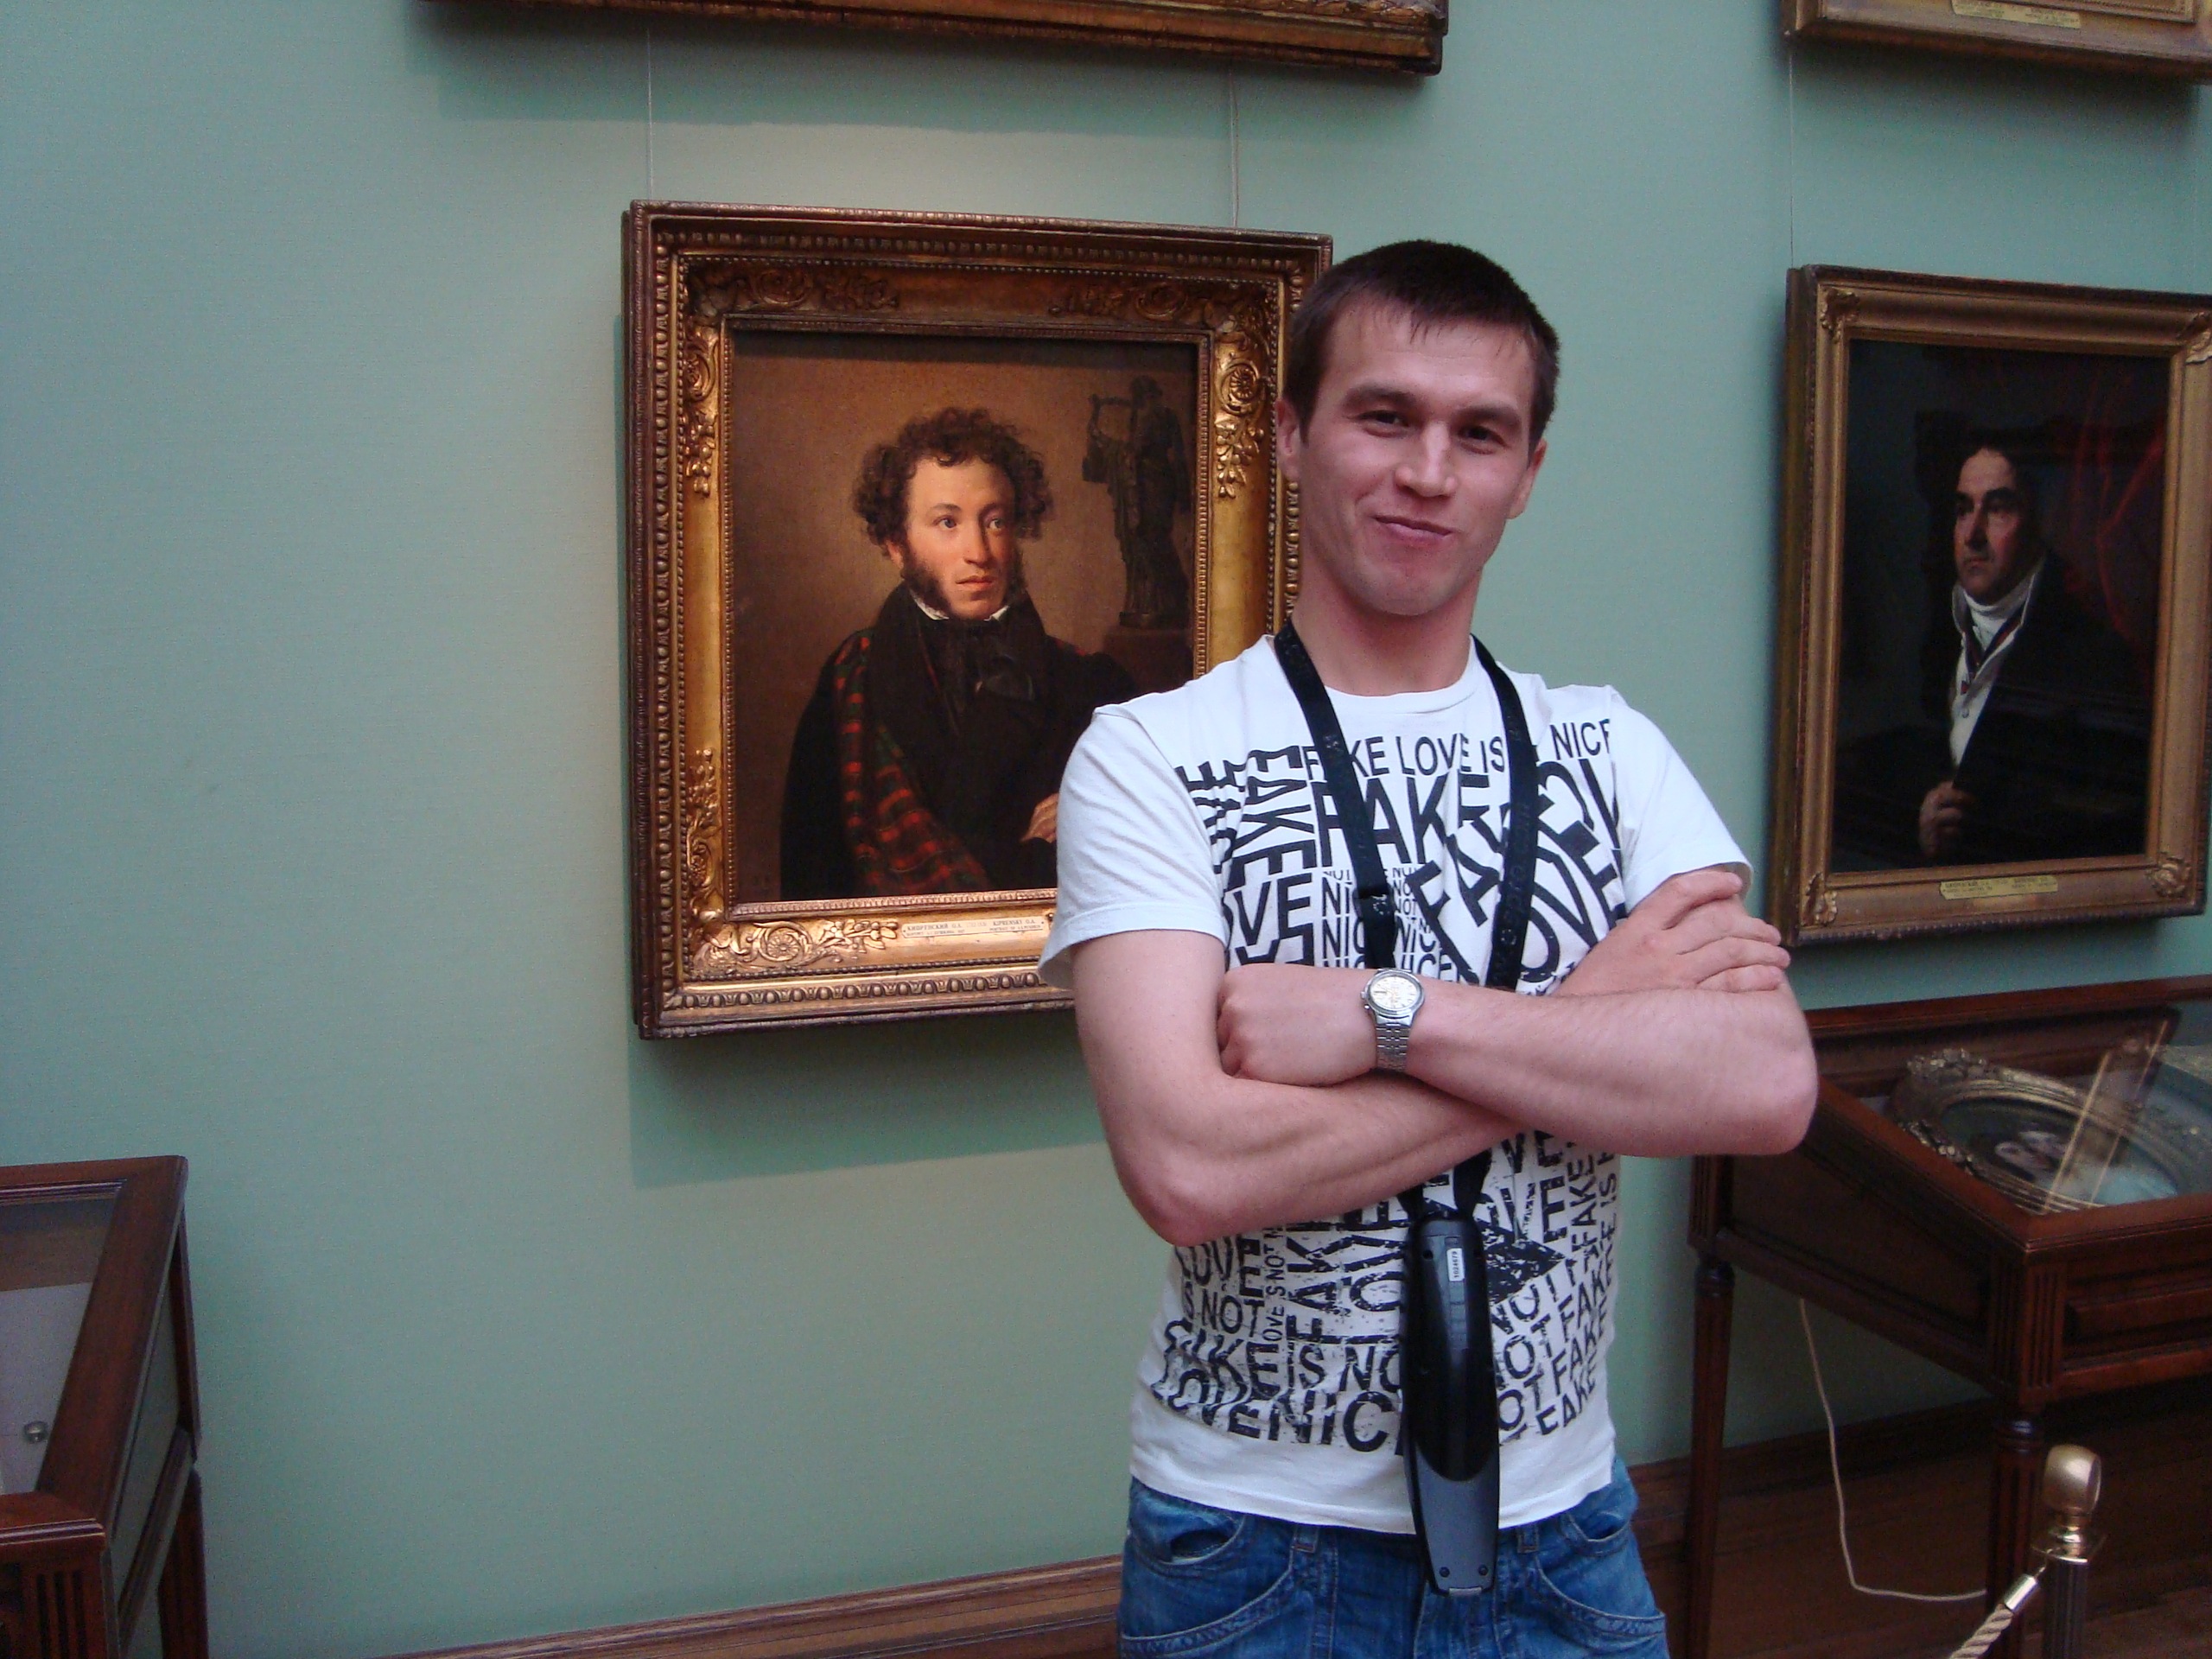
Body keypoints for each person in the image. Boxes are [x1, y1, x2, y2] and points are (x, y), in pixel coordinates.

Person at [1037, 242, 1818, 1659]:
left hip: (1567, 1534)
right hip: (1258, 1552)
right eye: (1384, 417)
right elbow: (1189, 1169)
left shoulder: (1611, 750)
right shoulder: (1149, 757)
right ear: (1292, 436)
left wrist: (1386, 1016)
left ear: (1528, 472)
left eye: (1480, 433)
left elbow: (1762, 1086)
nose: (1427, 472)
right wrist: (1587, 1017)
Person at [780, 407, 1137, 899]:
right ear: (897, 544)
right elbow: (811, 889)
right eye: (947, 522)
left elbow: (1137, 861)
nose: (979, 552)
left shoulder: (1091, 684)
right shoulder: (850, 681)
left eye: (995, 522)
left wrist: (1093, 810)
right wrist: (1024, 860)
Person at [1910, 438, 2148, 864]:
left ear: (2038, 522)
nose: (1973, 534)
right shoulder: (1933, 631)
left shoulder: (2091, 653)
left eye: (1998, 509)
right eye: (1964, 510)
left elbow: (2104, 821)